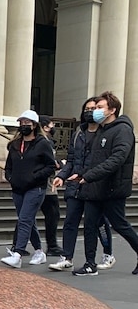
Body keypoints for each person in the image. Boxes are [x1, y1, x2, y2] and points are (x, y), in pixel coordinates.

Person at [72, 91, 138, 276]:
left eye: (100, 108)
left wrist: (90, 175)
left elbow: (117, 159)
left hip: (112, 188)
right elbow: (95, 159)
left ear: (112, 110)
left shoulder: (123, 130)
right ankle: (89, 264)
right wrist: (81, 174)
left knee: (119, 224)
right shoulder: (101, 130)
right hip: (95, 187)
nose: (96, 111)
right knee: (90, 225)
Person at [49, 98, 115, 271]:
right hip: (75, 184)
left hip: (93, 184)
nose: (90, 112)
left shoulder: (105, 133)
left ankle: (106, 253)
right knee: (70, 221)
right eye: (87, 108)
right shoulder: (79, 133)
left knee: (97, 223)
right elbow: (71, 160)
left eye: (94, 108)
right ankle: (67, 257)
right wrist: (62, 176)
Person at [0, 110, 55, 268]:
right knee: (28, 221)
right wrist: (10, 178)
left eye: (27, 123)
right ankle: (39, 251)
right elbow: (8, 166)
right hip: (18, 188)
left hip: (35, 188)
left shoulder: (42, 144)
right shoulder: (15, 145)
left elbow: (51, 166)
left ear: (34, 125)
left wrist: (36, 176)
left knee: (24, 219)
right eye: (22, 123)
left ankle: (18, 253)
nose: (24, 126)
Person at [37, 115, 64, 256]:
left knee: (28, 215)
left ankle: (18, 245)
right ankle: (52, 245)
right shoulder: (43, 142)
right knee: (52, 214)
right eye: (52, 124)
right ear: (46, 126)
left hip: (45, 184)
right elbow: (51, 162)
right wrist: (59, 165)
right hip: (46, 185)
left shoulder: (44, 142)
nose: (53, 127)